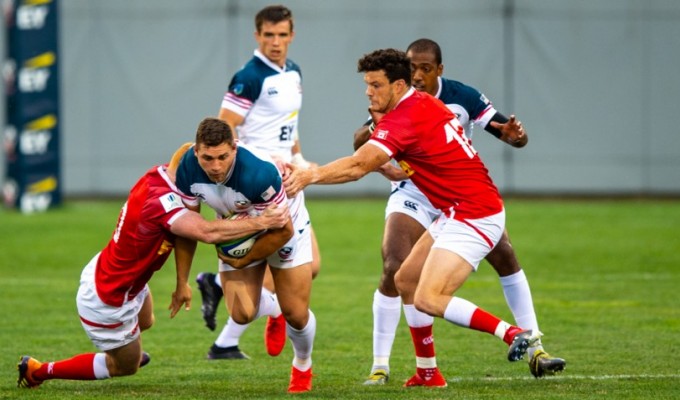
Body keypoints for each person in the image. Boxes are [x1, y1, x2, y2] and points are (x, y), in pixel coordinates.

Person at [284, 48, 541, 387]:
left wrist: (308, 176)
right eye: (367, 85)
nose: (368, 92)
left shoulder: (404, 117)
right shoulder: (423, 104)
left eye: (375, 85)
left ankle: (512, 334)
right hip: (459, 207)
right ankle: (428, 373)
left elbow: (360, 164)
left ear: (399, 84)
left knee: (428, 298)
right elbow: (421, 153)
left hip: (474, 212)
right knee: (404, 279)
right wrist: (397, 166)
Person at [354, 38, 565, 384]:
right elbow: (362, 147)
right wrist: (376, 155)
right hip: (415, 191)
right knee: (397, 269)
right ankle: (385, 365)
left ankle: (534, 346)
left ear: (440, 70)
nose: (417, 74)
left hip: (461, 197)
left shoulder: (459, 96)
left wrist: (516, 136)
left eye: (425, 68)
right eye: (412, 67)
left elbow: (505, 131)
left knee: (504, 257)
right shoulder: (395, 99)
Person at [16, 140, 290, 389]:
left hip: (117, 275)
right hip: (109, 297)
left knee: (147, 320)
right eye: (207, 162)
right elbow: (206, 233)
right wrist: (262, 221)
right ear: (194, 160)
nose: (213, 169)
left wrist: (181, 283)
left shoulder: (160, 175)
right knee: (125, 367)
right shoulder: (162, 203)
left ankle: (125, 344)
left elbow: (192, 147)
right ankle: (38, 371)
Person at [194, 4, 322, 364]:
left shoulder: (293, 72)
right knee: (275, 268)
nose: (276, 42)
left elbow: (289, 125)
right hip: (257, 188)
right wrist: (261, 163)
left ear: (292, 35)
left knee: (310, 267)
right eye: (269, 35)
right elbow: (224, 130)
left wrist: (297, 159)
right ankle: (231, 330)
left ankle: (222, 304)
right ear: (257, 36)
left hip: (288, 181)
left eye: (282, 35)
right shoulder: (249, 76)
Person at [175, 117, 316, 393]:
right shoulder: (187, 170)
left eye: (223, 157)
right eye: (207, 158)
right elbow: (187, 228)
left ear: (235, 148)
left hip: (285, 225)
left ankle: (302, 364)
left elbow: (282, 230)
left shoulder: (258, 173)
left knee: (297, 315)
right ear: (196, 152)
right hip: (238, 228)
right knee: (241, 312)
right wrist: (182, 280)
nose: (215, 166)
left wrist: (242, 259)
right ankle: (273, 307)